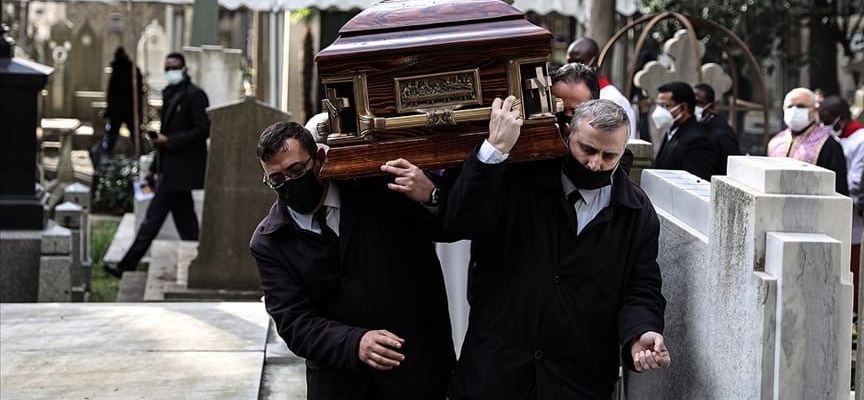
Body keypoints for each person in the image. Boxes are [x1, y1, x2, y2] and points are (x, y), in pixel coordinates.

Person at [440, 97, 669, 398]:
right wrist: (493, 150)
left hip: (577, 382)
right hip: (496, 373)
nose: (595, 164)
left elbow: (641, 286)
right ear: (567, 134)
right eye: (587, 149)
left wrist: (640, 331)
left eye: (609, 156)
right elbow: (459, 222)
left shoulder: (636, 212)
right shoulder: (519, 182)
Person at [249, 121, 455, 399]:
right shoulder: (269, 242)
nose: (289, 183)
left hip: (416, 370)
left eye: (296, 170)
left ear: (319, 158)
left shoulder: (378, 190)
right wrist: (354, 342)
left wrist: (431, 194)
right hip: (340, 384)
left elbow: (447, 227)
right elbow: (294, 323)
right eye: (276, 179)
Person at [104, 52, 210, 277]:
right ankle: (203, 261)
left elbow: (202, 130)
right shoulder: (169, 93)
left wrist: (169, 141)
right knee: (186, 224)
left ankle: (125, 266)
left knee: (152, 222)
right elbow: (164, 135)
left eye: (175, 67)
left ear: (184, 69)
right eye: (167, 68)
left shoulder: (195, 95)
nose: (171, 71)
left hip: (181, 171)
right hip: (169, 169)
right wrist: (153, 168)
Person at [818, 95, 864, 313]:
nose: (824, 125)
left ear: (842, 118)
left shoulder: (860, 139)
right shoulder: (831, 138)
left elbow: (857, 178)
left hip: (853, 212)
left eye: (827, 120)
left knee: (853, 263)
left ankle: (854, 311)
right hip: (833, 206)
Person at [767, 87, 848, 195]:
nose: (794, 110)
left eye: (801, 106)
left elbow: (839, 190)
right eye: (790, 106)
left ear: (814, 110)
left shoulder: (829, 145)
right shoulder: (776, 142)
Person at [566, 37, 638, 138]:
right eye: (569, 63)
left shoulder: (614, 100)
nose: (572, 68)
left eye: (578, 62)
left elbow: (625, 142)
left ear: (595, 62)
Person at [651, 81, 718, 181]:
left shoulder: (697, 140)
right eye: (658, 105)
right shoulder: (671, 131)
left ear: (682, 107)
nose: (659, 111)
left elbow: (694, 182)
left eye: (665, 106)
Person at [99, 46, 145, 158]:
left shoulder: (126, 70)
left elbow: (112, 93)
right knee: (133, 134)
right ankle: (140, 154)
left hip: (121, 109)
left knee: (116, 134)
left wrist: (109, 109)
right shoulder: (131, 69)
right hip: (128, 109)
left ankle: (107, 155)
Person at [693, 82, 741, 175]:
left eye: (699, 103)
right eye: (692, 103)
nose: (695, 107)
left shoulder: (721, 134)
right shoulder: (695, 126)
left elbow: (731, 168)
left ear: (711, 106)